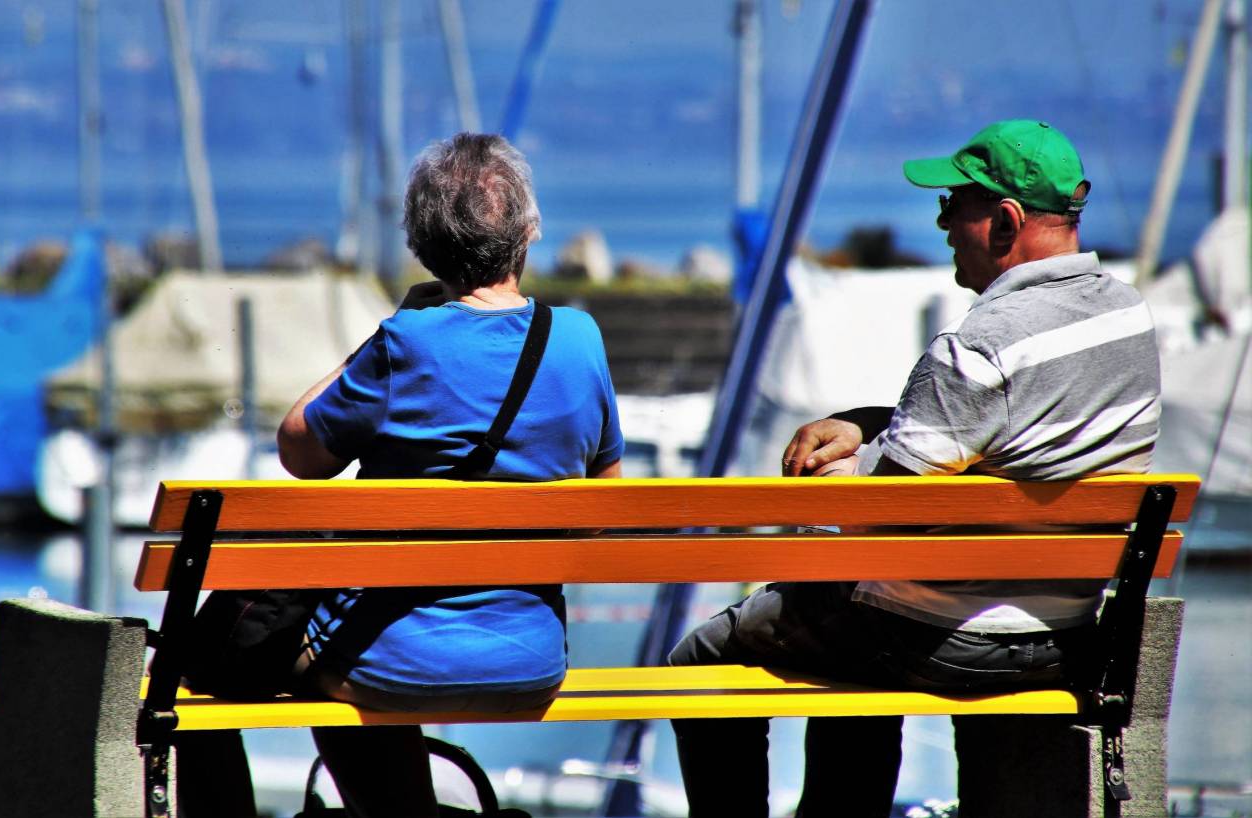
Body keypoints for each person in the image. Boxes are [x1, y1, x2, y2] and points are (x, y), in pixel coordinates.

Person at [669, 119, 1161, 817]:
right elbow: (1003, 440)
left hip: (950, 639)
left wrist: (833, 480)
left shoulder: (980, 345)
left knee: (707, 656)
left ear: (1005, 221)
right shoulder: (1128, 319)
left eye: (953, 204)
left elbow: (880, 520)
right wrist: (869, 424)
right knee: (853, 621)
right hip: (1066, 634)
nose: (940, 222)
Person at [177, 132, 624, 818]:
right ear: (529, 233)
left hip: (387, 666)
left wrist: (391, 327)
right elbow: (602, 506)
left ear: (422, 248)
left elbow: (300, 453)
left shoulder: (404, 343)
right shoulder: (580, 338)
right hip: (532, 662)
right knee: (354, 658)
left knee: (196, 678)